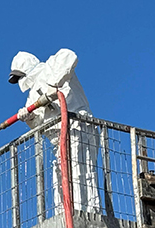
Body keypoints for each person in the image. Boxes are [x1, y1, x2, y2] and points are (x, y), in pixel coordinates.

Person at [9, 49, 101, 215]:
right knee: (61, 178)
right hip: (58, 140)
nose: (20, 81)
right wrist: (28, 118)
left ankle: (87, 214)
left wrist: (53, 84)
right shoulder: (31, 97)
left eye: (19, 75)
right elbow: (39, 126)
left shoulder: (51, 66)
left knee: (80, 173)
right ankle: (64, 217)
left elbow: (69, 55)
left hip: (78, 128)